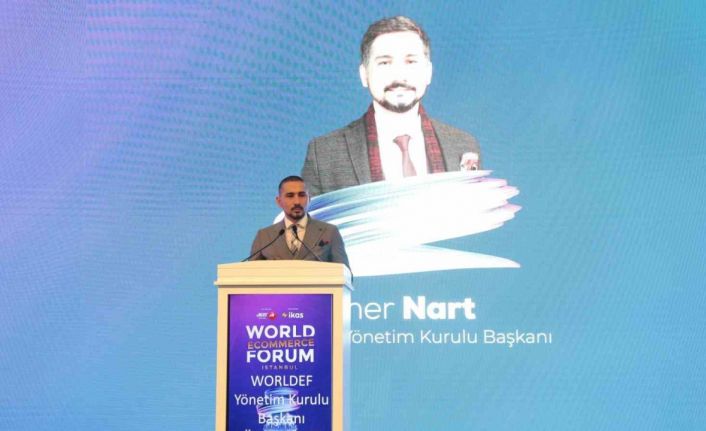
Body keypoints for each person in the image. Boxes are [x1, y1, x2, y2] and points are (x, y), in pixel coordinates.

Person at [301, 16, 482, 196]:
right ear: (364, 75)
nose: (399, 75)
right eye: (385, 63)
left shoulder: (463, 145)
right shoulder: (324, 154)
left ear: (428, 72)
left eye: (410, 61)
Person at [248, 175, 349, 266]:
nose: (297, 201)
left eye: (301, 195)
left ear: (309, 199)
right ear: (279, 201)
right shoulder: (264, 236)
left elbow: (344, 273)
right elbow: (250, 274)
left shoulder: (329, 232)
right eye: (290, 196)